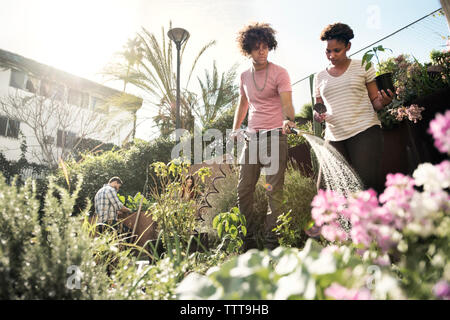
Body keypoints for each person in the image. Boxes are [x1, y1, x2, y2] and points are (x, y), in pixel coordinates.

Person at [232, 22, 296, 250]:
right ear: (248, 49)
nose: (262, 51)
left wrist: (289, 119)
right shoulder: (244, 77)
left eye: (265, 46)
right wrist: (235, 127)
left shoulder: (280, 72)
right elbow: (243, 102)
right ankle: (248, 240)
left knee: (273, 191)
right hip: (252, 138)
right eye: (257, 47)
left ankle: (271, 243)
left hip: (275, 138)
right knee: (243, 189)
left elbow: (287, 104)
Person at [314, 22, 394, 194]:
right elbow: (319, 106)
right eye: (328, 51)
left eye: (337, 50)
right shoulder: (319, 76)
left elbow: (375, 101)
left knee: (366, 185)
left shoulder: (362, 66)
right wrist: (318, 114)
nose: (331, 55)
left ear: (348, 46)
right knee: (325, 189)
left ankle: (378, 219)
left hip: (364, 130)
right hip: (334, 136)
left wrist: (384, 101)